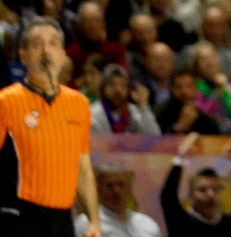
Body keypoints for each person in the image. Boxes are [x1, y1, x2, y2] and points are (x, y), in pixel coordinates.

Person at [0, 19, 100, 237]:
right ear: (23, 56)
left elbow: (82, 167)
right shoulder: (6, 101)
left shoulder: (79, 104)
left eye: (53, 44)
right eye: (37, 45)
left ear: (64, 55)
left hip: (62, 219)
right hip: (18, 216)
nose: (46, 51)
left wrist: (94, 220)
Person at [161, 134, 231, 237]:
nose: (210, 194)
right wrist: (181, 157)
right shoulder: (181, 224)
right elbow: (167, 196)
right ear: (191, 196)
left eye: (215, 189)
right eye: (202, 190)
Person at [76, 165, 160, 237]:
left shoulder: (147, 224)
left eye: (121, 185)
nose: (116, 191)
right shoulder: (86, 223)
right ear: (99, 190)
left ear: (129, 189)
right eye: (109, 186)